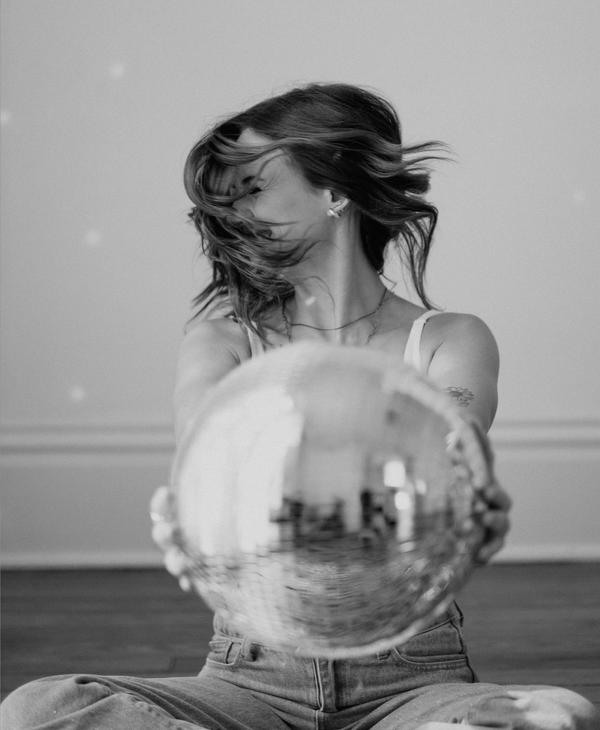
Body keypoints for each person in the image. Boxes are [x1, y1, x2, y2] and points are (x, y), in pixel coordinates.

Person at [2, 83, 597, 730]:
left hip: (411, 683)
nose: (233, 210)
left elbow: (455, 443)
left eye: (253, 186)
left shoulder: (451, 339)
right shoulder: (223, 338)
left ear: (334, 189)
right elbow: (205, 447)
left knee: (556, 716)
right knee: (39, 708)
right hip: (247, 680)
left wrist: (460, 491)